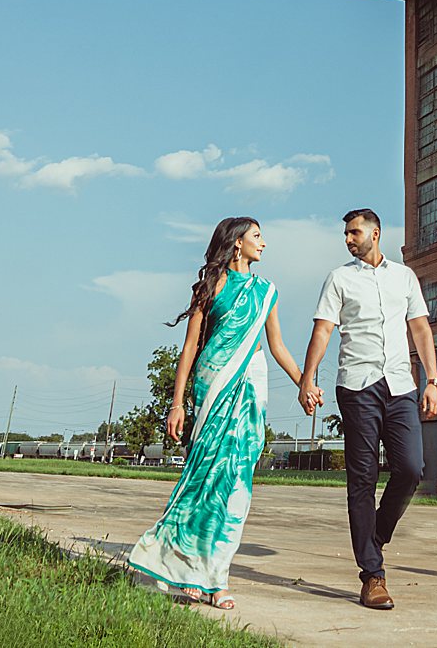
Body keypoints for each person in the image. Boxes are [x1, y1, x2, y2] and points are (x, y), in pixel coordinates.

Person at [129, 217, 306, 610]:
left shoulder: (266, 291)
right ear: (237, 243)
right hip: (213, 386)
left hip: (250, 389)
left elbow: (277, 346)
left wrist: (303, 382)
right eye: (257, 236)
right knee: (205, 479)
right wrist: (177, 404)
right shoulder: (212, 286)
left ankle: (216, 576)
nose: (264, 243)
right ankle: (188, 571)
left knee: (236, 485)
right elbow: (190, 347)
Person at [300, 208, 437, 611]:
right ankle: (372, 574)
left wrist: (432, 381)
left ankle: (376, 532)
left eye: (354, 231)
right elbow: (323, 329)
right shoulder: (339, 278)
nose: (348, 238)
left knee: (412, 468)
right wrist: (307, 379)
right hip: (357, 387)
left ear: (375, 234)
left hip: (399, 386)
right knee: (361, 478)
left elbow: (420, 329)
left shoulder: (404, 277)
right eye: (345, 233)